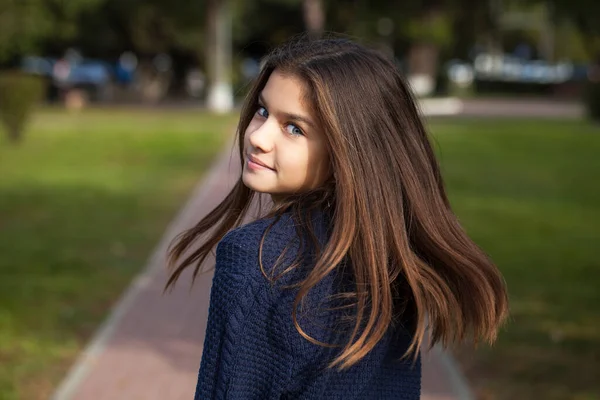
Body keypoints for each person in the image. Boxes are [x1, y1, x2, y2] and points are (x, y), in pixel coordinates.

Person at [165, 34, 509, 399]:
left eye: (294, 128)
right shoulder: (391, 260)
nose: (259, 136)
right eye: (263, 111)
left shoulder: (258, 260)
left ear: (347, 152)